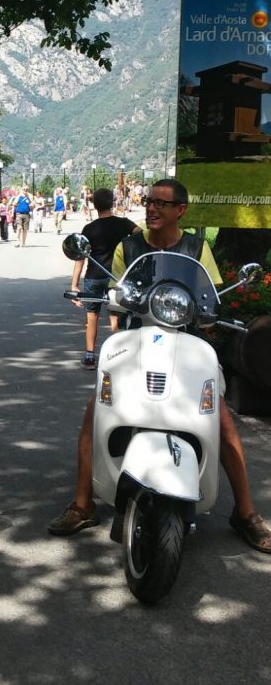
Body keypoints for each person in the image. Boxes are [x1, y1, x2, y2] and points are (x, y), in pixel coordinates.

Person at [48, 178, 271, 553]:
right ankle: (83, 503)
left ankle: (245, 512)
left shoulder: (197, 248)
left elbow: (210, 295)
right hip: (137, 340)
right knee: (94, 411)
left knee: (221, 420)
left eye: (161, 204)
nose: (152, 208)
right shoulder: (129, 247)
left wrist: (210, 311)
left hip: (187, 343)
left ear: (180, 210)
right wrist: (114, 299)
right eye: (149, 201)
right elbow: (116, 293)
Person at [69, 187, 139, 369]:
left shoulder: (89, 228)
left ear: (94, 205)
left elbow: (80, 257)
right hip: (116, 277)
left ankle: (90, 356)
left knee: (91, 316)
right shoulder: (124, 224)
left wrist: (74, 284)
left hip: (94, 277)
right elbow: (140, 233)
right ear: (113, 202)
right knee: (115, 317)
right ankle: (119, 357)